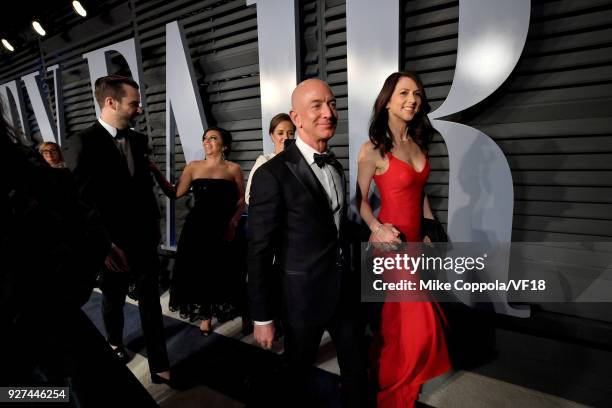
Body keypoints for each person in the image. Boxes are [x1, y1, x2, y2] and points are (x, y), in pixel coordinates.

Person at [1, 102, 158, 406]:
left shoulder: (23, 168)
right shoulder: (28, 164)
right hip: (42, 327)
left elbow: (79, 223)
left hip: (44, 322)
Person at [248, 79, 368, 407]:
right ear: (296, 117)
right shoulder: (272, 174)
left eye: (332, 104)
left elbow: (337, 228)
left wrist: (378, 231)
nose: (328, 112)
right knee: (295, 377)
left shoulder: (337, 166)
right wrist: (262, 316)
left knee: (357, 369)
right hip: (300, 298)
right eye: (316, 105)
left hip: (344, 290)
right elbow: (259, 250)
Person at [63, 74, 172, 385]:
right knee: (113, 299)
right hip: (111, 244)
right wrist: (105, 245)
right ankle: (114, 342)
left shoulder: (138, 140)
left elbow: (139, 188)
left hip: (144, 237)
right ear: (111, 102)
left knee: (151, 301)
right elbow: (78, 201)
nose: (139, 109)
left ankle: (160, 363)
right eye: (134, 103)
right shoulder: (81, 142)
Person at [356, 71, 451, 407]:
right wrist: (376, 227)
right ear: (387, 100)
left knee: (397, 324)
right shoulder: (372, 150)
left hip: (416, 244)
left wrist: (430, 232)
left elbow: (419, 193)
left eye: (418, 94)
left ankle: (389, 378)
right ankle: (396, 392)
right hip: (391, 245)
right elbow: (359, 200)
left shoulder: (418, 142)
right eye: (404, 93)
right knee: (421, 323)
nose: (413, 100)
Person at [168, 127, 245, 335]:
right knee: (199, 271)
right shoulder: (193, 167)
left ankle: (213, 309)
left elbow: (241, 200)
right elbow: (175, 193)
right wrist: (156, 173)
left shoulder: (233, 169)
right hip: (197, 228)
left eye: (213, 138)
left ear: (224, 145)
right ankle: (205, 315)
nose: (207, 142)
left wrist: (233, 223)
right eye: (205, 138)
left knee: (219, 271)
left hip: (222, 228)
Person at [244, 113, 295, 205]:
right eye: (280, 133)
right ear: (272, 136)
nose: (286, 137)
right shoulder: (264, 161)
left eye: (290, 133)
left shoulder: (299, 162)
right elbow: (249, 197)